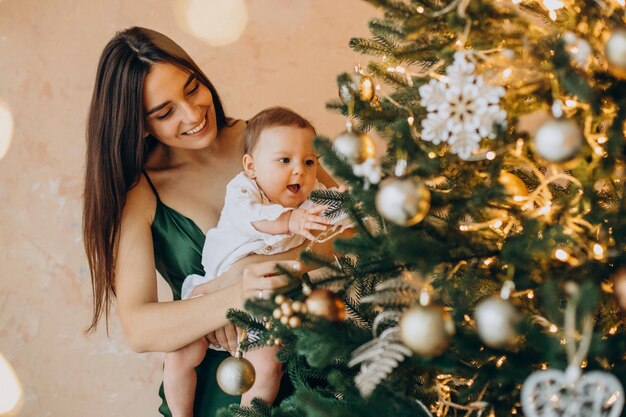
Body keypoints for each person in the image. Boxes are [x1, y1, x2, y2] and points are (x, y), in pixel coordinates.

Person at [83, 27, 337, 417]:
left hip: (320, 374)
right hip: (218, 396)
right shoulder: (140, 191)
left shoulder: (272, 141)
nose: (193, 114)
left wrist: (244, 272)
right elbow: (140, 328)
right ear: (138, 123)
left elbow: (350, 234)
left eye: (192, 88)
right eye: (165, 112)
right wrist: (230, 298)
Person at [164, 107, 335, 417]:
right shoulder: (244, 190)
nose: (299, 170)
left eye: (309, 162)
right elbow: (253, 220)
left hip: (269, 302)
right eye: (285, 161)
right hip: (213, 291)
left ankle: (249, 413)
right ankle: (180, 414)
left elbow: (342, 220)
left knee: (268, 364)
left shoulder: (310, 198)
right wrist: (290, 221)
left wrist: (352, 201)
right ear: (251, 166)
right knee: (179, 354)